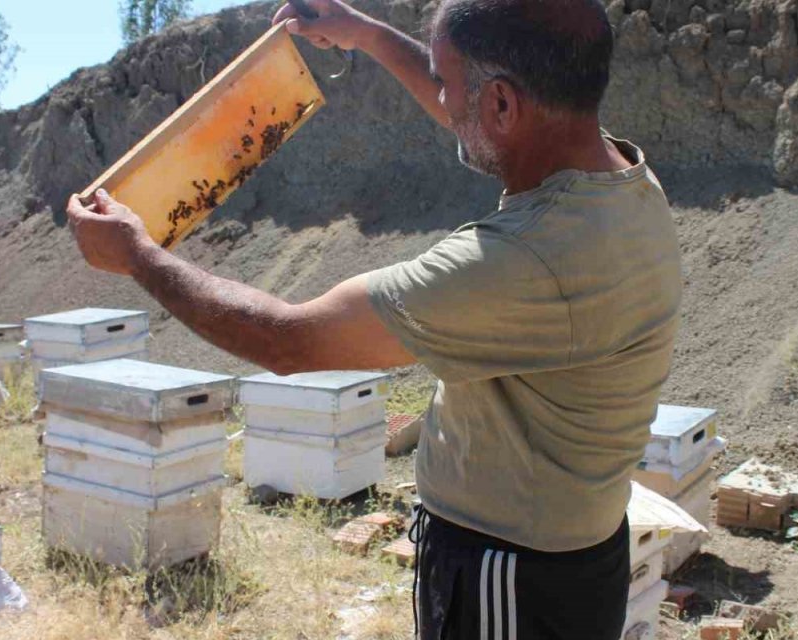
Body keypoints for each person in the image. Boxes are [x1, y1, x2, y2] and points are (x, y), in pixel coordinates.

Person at [65, 0, 681, 636]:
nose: (440, 97)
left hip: (511, 579)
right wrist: (368, 35)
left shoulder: (526, 261)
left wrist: (138, 256)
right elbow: (479, 111)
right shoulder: (615, 178)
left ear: (502, 105)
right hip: (567, 561)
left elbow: (290, 340)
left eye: (446, 82)